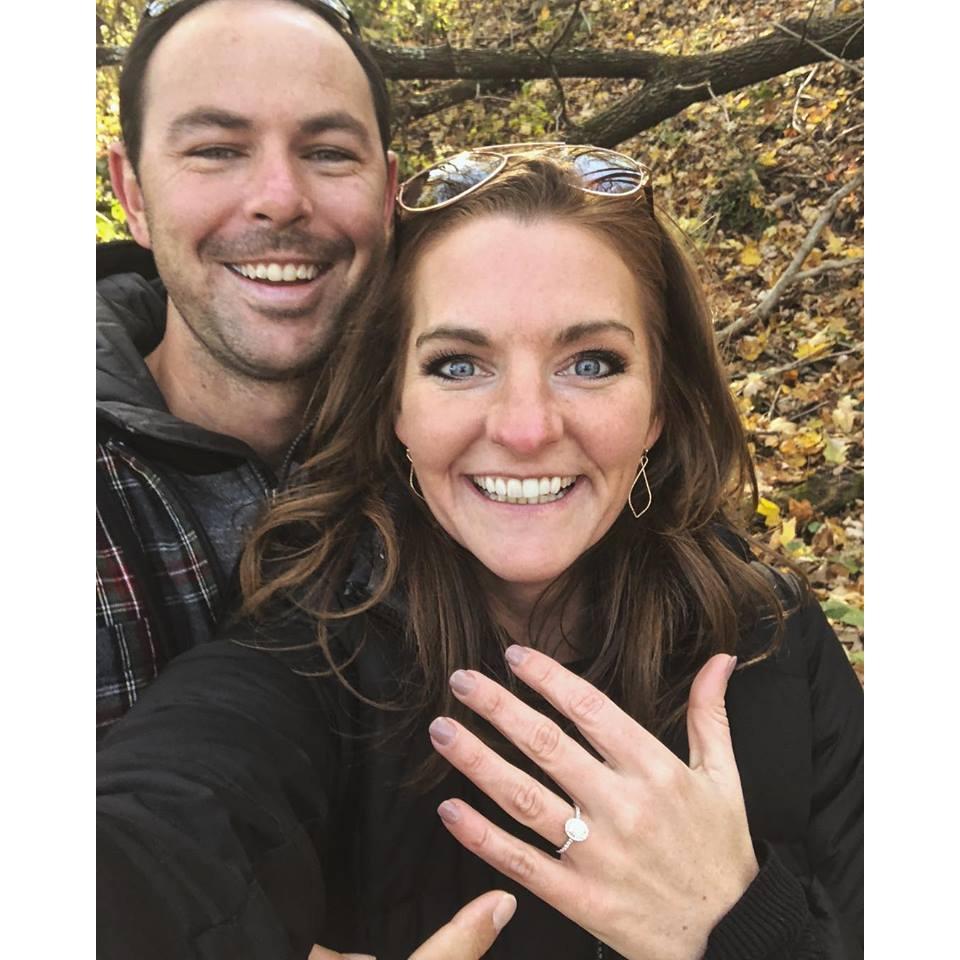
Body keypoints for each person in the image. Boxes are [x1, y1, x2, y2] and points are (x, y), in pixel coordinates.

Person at [98, 144, 863, 959]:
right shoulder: (308, 654)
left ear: (658, 409)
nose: (525, 428)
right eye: (458, 365)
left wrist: (742, 928)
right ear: (396, 406)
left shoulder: (776, 642)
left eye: (592, 363)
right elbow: (150, 846)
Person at [96, 0, 398, 732]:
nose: (279, 201)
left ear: (389, 193)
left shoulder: (488, 446)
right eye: (216, 150)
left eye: (328, 152)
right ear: (132, 193)